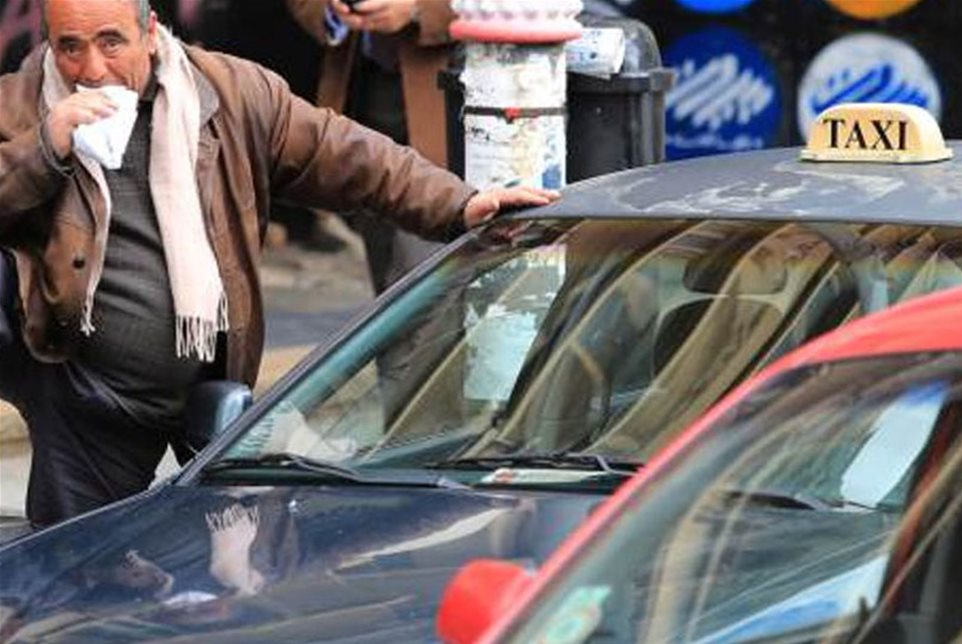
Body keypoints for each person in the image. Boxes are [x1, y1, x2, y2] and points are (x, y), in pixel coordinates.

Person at [0, 0, 556, 529]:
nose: (92, 69)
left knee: (251, 561)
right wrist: (45, 147)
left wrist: (459, 203)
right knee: (77, 569)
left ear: (149, 34)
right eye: (69, 47)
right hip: (91, 400)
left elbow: (346, 154)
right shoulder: (19, 107)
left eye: (110, 42)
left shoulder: (229, 91)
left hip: (214, 386)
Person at [286, 0, 459, 293]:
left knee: (425, 280)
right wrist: (333, 11)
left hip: (444, 100)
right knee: (386, 277)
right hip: (361, 95)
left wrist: (418, 8)